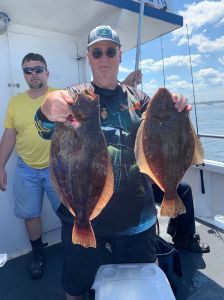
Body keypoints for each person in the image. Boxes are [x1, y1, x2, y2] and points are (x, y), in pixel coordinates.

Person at [34, 25, 191, 300]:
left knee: (141, 283)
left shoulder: (141, 101)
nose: (103, 57)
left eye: (110, 51)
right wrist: (47, 107)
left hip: (136, 219)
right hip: (80, 216)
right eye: (97, 52)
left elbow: (165, 137)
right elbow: (44, 127)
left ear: (120, 55)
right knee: (75, 286)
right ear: (89, 56)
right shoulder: (73, 97)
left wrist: (177, 107)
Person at [0, 53, 61, 279]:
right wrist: (0, 166)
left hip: (59, 169)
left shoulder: (61, 96)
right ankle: (38, 254)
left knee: (68, 212)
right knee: (30, 215)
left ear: (47, 72)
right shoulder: (15, 102)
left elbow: (80, 128)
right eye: (28, 70)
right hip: (26, 169)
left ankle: (75, 251)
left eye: (38, 69)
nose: (33, 74)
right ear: (24, 75)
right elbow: (9, 136)